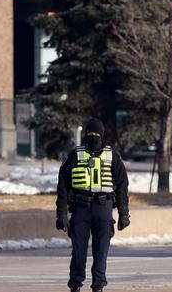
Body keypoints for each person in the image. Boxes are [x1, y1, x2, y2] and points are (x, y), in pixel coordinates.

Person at [56, 118, 130, 292]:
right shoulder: (75, 155)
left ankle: (98, 286)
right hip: (81, 208)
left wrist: (124, 213)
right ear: (85, 134)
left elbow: (122, 185)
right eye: (90, 133)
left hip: (103, 208)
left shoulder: (112, 156)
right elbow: (63, 186)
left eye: (96, 133)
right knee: (78, 252)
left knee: (101, 252)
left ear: (102, 135)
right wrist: (62, 214)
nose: (93, 136)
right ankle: (75, 285)